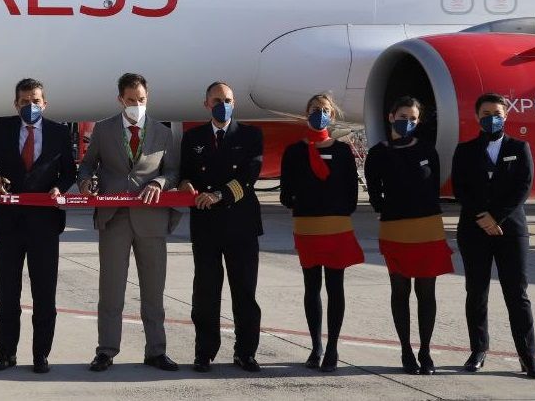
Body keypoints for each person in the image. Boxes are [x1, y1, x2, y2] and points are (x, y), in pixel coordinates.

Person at [0, 78, 76, 374]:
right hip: (8, 224)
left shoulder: (58, 132)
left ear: (45, 103)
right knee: (7, 294)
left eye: (36, 100)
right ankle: (6, 353)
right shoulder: (1, 127)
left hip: (45, 224)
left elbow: (69, 171)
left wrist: (59, 189)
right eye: (25, 101)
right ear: (16, 104)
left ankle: (41, 354)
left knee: (44, 294)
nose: (31, 106)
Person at [77, 73, 181, 373]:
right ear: (120, 99)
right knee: (110, 290)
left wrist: (160, 183)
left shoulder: (162, 132)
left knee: (153, 289)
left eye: (142, 100)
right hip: (114, 218)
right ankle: (106, 350)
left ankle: (156, 350)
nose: (137, 105)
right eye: (131, 100)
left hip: (151, 220)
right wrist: (85, 183)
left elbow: (173, 171)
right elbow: (86, 165)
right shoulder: (104, 129)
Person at [453, 93, 535, 379]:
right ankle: (478, 350)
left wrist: (497, 217)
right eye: (486, 112)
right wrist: (483, 217)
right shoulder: (465, 150)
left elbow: (523, 186)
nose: (492, 117)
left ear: (506, 116)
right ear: (477, 116)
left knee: (517, 294)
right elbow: (461, 189)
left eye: (497, 113)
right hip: (475, 230)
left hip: (510, 231)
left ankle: (528, 356)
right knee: (476, 292)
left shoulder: (520, 146)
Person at [364, 96, 453, 376]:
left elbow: (434, 185)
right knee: (400, 292)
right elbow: (374, 192)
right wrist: (388, 210)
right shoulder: (378, 153)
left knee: (426, 293)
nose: (408, 122)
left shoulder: (428, 149)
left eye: (413, 118)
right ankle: (406, 350)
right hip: (396, 229)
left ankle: (425, 351)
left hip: (428, 228)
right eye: (403, 116)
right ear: (391, 117)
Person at [178, 81, 264, 373]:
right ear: (206, 104)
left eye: (227, 99)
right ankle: (204, 352)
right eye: (216, 100)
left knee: (244, 293)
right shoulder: (193, 137)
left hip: (241, 225)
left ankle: (246, 352)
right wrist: (186, 184)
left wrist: (218, 195)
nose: (222, 104)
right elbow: (185, 174)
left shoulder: (251, 135)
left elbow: (250, 176)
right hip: (206, 225)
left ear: (234, 102)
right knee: (205, 294)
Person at [278, 93, 365, 373]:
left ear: (333, 115)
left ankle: (333, 348)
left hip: (335, 226)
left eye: (325, 110)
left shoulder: (342, 151)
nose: (320, 113)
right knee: (311, 287)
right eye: (315, 109)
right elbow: (285, 193)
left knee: (335, 287)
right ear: (306, 112)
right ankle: (316, 346)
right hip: (307, 227)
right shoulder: (294, 151)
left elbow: (352, 192)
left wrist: (331, 208)